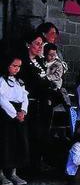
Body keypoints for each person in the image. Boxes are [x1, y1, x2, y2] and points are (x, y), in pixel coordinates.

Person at [18, 32, 53, 172]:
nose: (40, 47)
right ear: (28, 44)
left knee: (41, 134)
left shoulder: (40, 62)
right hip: (29, 103)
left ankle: (37, 163)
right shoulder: (23, 62)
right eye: (37, 44)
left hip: (42, 104)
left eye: (42, 45)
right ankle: (24, 165)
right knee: (29, 134)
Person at [0, 56, 30, 185]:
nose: (16, 69)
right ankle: (1, 175)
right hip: (6, 114)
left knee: (18, 142)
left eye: (18, 66)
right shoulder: (1, 80)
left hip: (19, 114)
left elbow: (25, 97)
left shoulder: (20, 82)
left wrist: (23, 111)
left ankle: (13, 173)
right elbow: (2, 99)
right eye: (14, 66)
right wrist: (14, 113)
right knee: (5, 143)